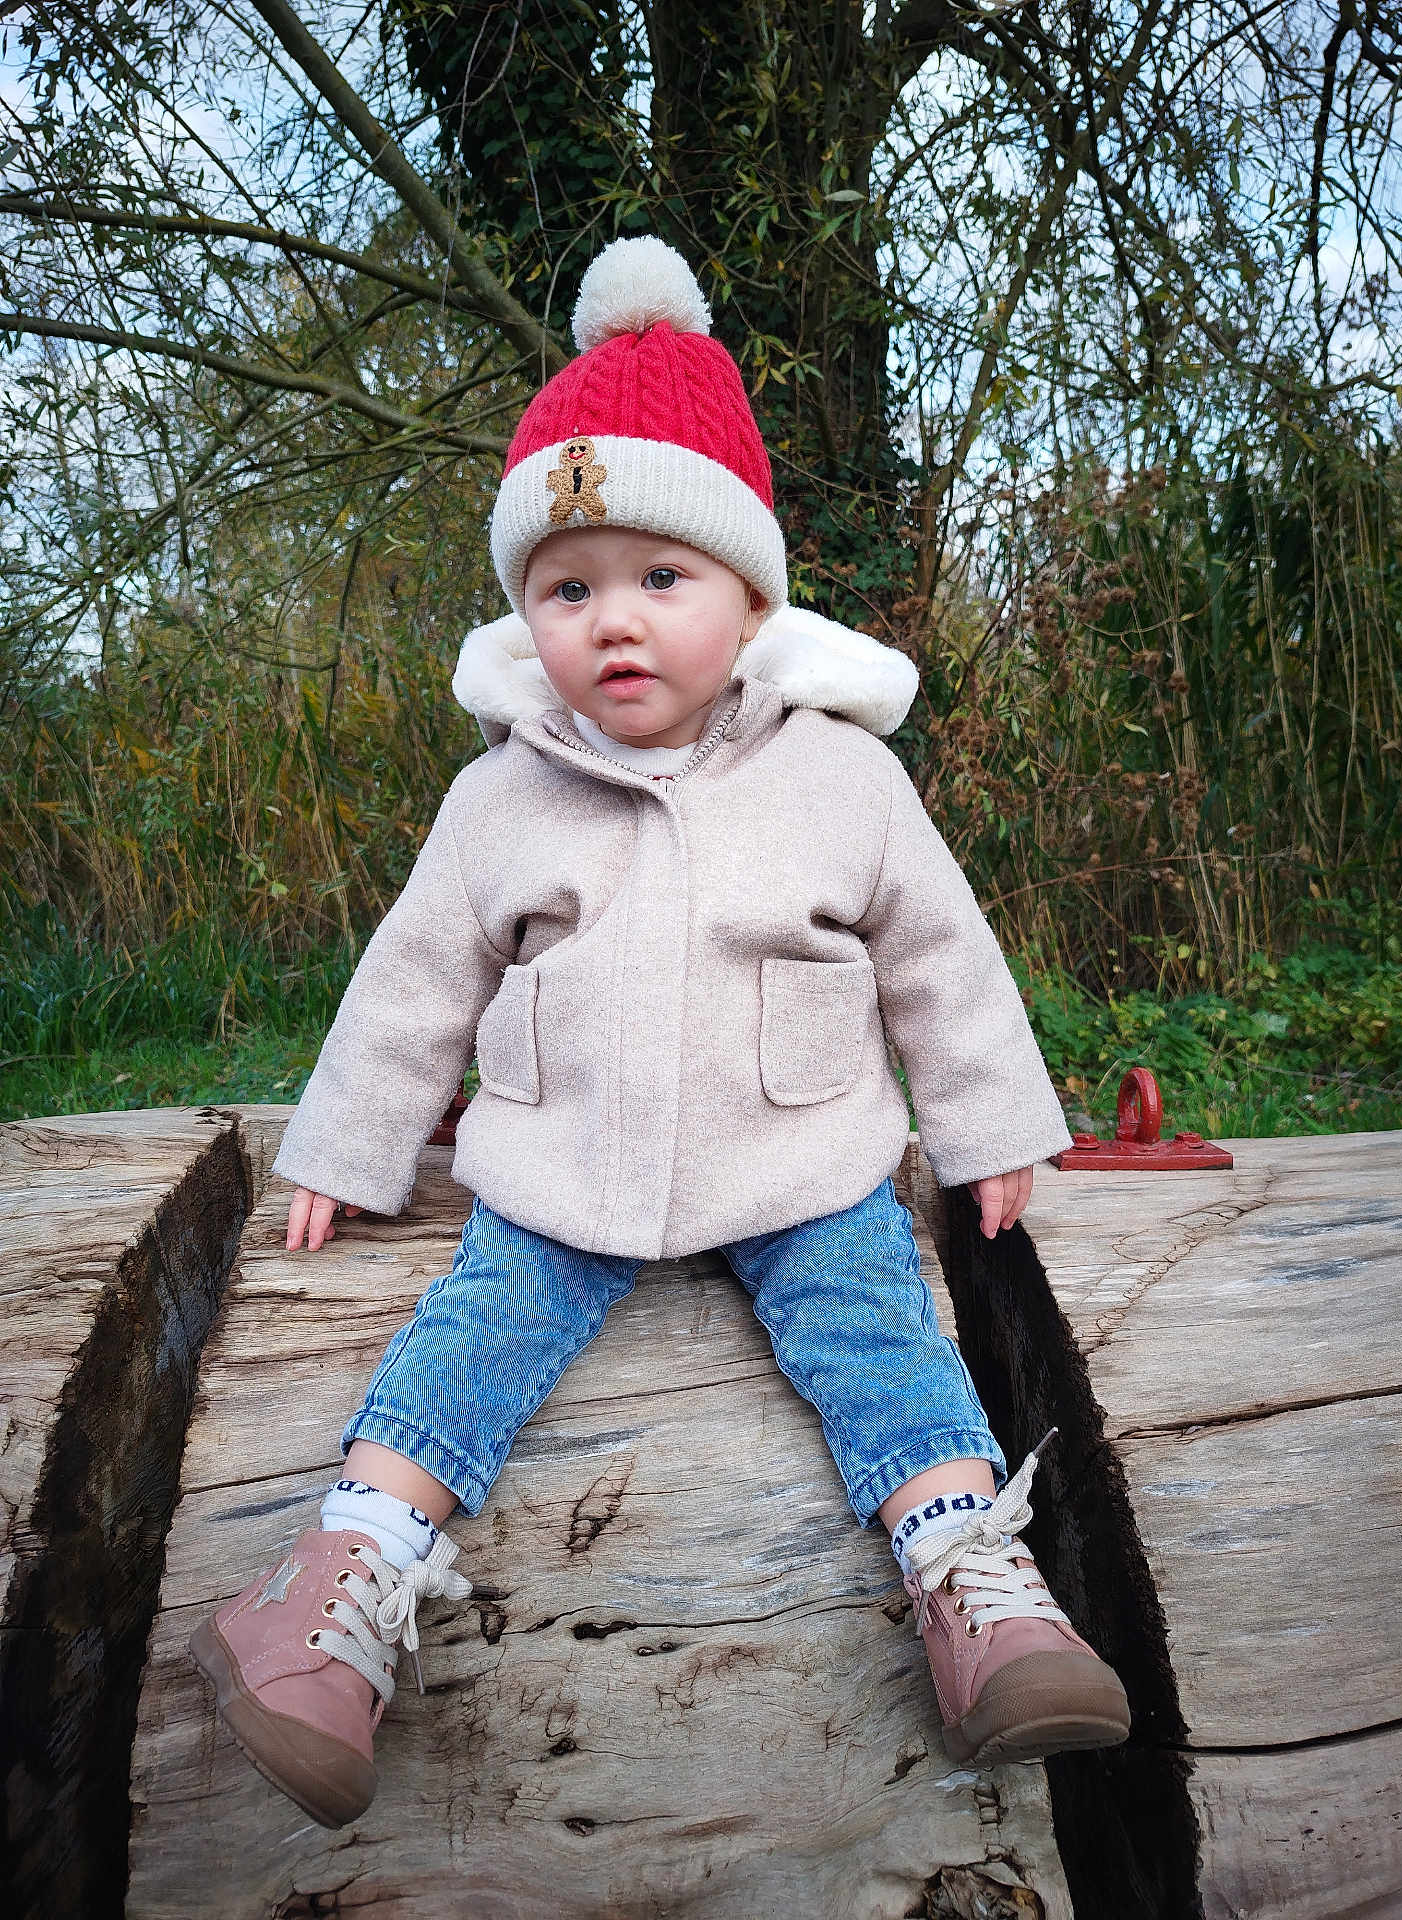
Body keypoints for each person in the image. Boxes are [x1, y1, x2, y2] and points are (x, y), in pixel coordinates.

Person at [190, 236, 1130, 1831]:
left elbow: (941, 957)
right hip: (563, 1162)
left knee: (878, 1334)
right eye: (568, 590)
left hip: (801, 1157)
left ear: (750, 597)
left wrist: (987, 1128)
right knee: (477, 1332)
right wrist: (345, 1145)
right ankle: (331, 1585)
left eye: (660, 580)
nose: (612, 624)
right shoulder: (502, 794)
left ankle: (975, 1583)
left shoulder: (842, 776)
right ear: (526, 614)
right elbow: (415, 978)